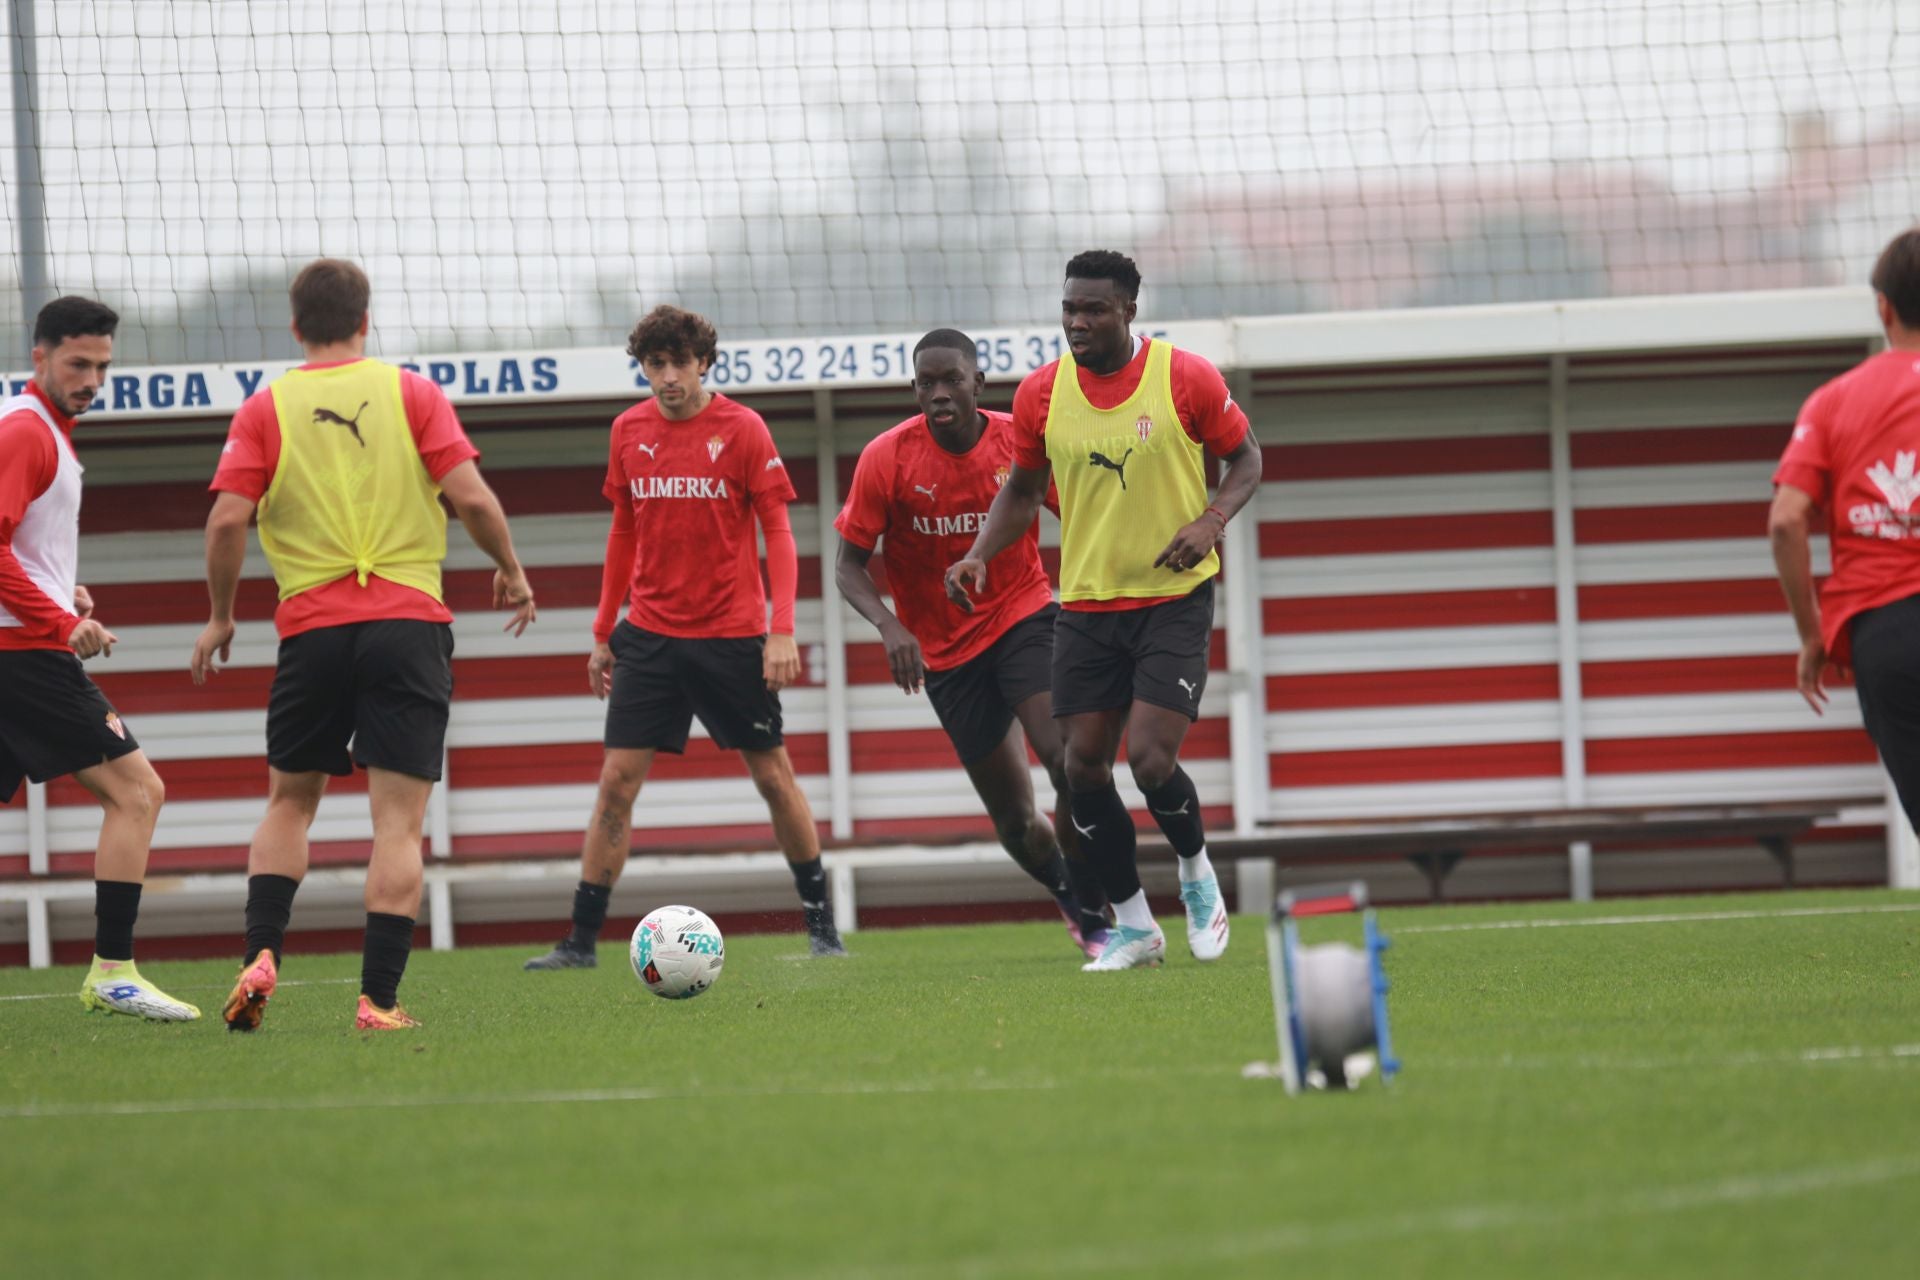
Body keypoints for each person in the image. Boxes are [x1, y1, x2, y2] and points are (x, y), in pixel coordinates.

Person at [190, 258, 537, 1031]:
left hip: (311, 632)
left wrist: (220, 617)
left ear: (294, 326)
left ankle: (261, 953)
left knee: (289, 803)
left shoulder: (266, 408)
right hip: (407, 626)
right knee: (397, 825)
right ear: (365, 321)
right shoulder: (411, 393)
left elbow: (225, 521)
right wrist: (511, 571)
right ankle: (378, 1001)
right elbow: (473, 499)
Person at [946, 250, 1263, 971]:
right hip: (1087, 607)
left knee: (1150, 761)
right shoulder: (1041, 393)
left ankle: (1197, 875)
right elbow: (1023, 490)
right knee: (1082, 769)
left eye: (1094, 309)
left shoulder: (1185, 377)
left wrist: (1211, 520)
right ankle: (1135, 926)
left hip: (1172, 600)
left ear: (1128, 311)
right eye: (1069, 308)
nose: (1078, 322)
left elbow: (1247, 458)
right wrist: (978, 554)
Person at [524, 304, 844, 969]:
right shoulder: (627, 430)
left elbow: (778, 531)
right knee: (616, 783)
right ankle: (580, 943)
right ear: (643, 367)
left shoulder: (744, 429)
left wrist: (781, 630)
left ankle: (823, 931)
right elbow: (623, 531)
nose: (668, 377)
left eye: (679, 363)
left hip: (731, 638)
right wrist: (602, 631)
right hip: (648, 637)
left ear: (703, 363)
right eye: (655, 364)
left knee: (773, 777)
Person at [835, 329, 1111, 958]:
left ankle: (1099, 909)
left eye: (951, 380)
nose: (938, 393)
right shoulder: (886, 459)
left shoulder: (1018, 441)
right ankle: (1069, 895)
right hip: (946, 655)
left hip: (1022, 617)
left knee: (1068, 761)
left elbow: (1083, 515)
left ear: (978, 384)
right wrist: (889, 625)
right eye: (925, 383)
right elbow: (848, 565)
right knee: (1015, 821)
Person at [0, 297, 196, 1020]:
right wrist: (59, 619)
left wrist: (63, 589)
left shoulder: (46, 431)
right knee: (138, 793)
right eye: (77, 363)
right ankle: (113, 972)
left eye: (102, 366)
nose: (91, 380)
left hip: (19, 646)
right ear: (40, 356)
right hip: (23, 656)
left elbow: (20, 543)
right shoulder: (27, 432)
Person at [1773, 226, 1920, 831]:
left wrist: (1812, 636)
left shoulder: (1834, 401)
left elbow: (1786, 521)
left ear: (1883, 307)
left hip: (1887, 633)